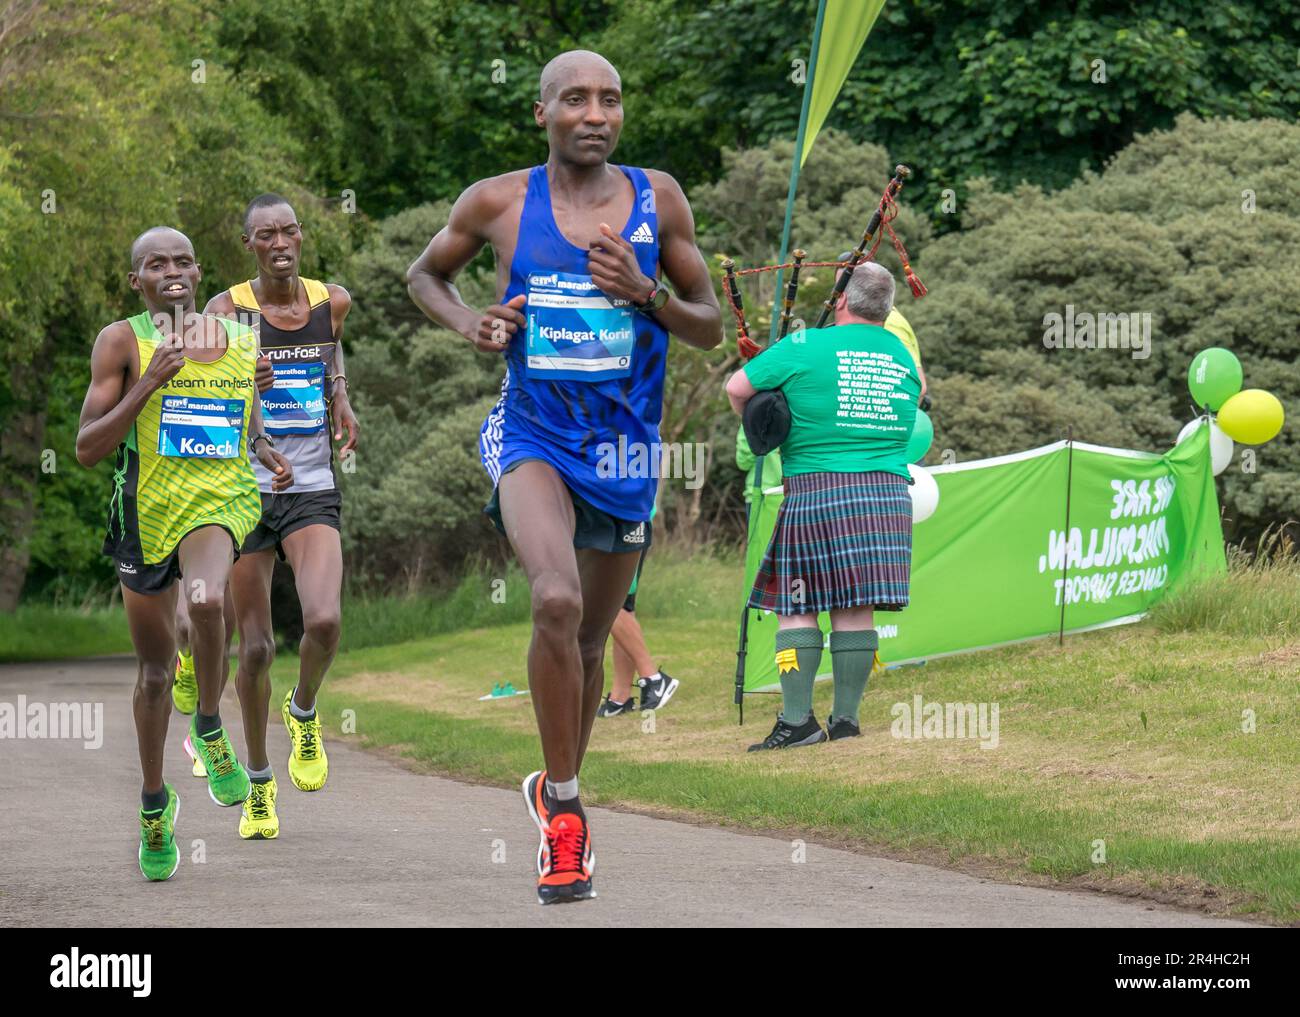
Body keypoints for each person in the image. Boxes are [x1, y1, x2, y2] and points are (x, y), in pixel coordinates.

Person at [406, 49, 721, 903]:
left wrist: (646, 291)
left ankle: (555, 786)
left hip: (625, 454)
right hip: (533, 434)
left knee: (589, 642)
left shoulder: (661, 198)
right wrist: (473, 321)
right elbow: (424, 274)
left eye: (610, 100)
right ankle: (570, 819)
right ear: (541, 112)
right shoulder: (500, 202)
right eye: (576, 99)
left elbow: (709, 327)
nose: (595, 114)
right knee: (555, 599)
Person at [76, 226, 293, 880]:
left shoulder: (240, 340)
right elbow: (87, 446)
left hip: (216, 502)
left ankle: (206, 722)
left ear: (199, 271)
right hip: (143, 513)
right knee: (152, 672)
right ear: (136, 280)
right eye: (154, 264)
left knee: (206, 597)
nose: (170, 271)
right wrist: (149, 382)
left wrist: (263, 447)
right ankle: (153, 803)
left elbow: (236, 414)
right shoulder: (123, 341)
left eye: (181, 261)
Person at [203, 193, 359, 840]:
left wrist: (342, 396)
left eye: (289, 230)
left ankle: (304, 711)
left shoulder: (332, 302)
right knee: (258, 645)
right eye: (266, 234)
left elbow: (332, 357)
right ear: (250, 245)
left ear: (301, 236)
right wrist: (245, 386)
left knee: (323, 618)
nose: (280, 242)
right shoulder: (227, 311)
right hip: (245, 489)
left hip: (312, 481)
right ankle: (260, 788)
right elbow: (202, 395)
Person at [725, 261, 920, 752]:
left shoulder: (803, 345)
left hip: (817, 488)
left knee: (798, 605)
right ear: (886, 307)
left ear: (841, 301)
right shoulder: (902, 356)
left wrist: (766, 425)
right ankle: (847, 721)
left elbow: (737, 389)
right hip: (888, 492)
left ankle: (797, 723)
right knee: (857, 610)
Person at [596, 504, 679, 717]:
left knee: (609, 601)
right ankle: (620, 697)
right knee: (621, 605)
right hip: (612, 516)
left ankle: (653, 678)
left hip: (626, 515)